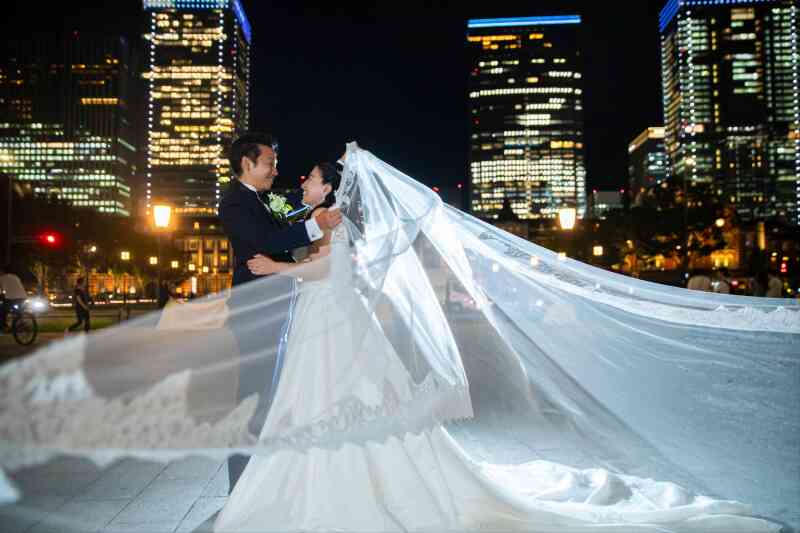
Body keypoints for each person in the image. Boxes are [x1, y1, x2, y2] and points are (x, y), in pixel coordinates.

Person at [213, 144, 779, 533]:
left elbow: (326, 267)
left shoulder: (331, 217)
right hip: (315, 320)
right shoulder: (287, 206)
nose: (293, 179)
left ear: (330, 185)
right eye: (278, 166)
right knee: (292, 402)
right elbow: (284, 232)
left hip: (327, 320)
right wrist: (293, 246)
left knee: (326, 401)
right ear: (250, 163)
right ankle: (278, 482)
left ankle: (308, 487)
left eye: (306, 176)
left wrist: (280, 266)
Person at [217, 132, 342, 493]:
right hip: (255, 307)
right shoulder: (234, 203)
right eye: (269, 163)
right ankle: (241, 485)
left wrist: (319, 207)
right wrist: (318, 224)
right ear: (247, 163)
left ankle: (264, 477)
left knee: (273, 395)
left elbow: (295, 214)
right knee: (252, 397)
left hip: (283, 303)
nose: (276, 170)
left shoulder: (267, 198)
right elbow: (266, 242)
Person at [0, 265, 27, 332]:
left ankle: (4, 326)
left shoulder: (2, 278)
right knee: (17, 312)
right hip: (23, 297)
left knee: (2, 310)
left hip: (11, 297)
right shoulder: (16, 277)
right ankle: (20, 324)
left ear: (3, 271)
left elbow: (2, 290)